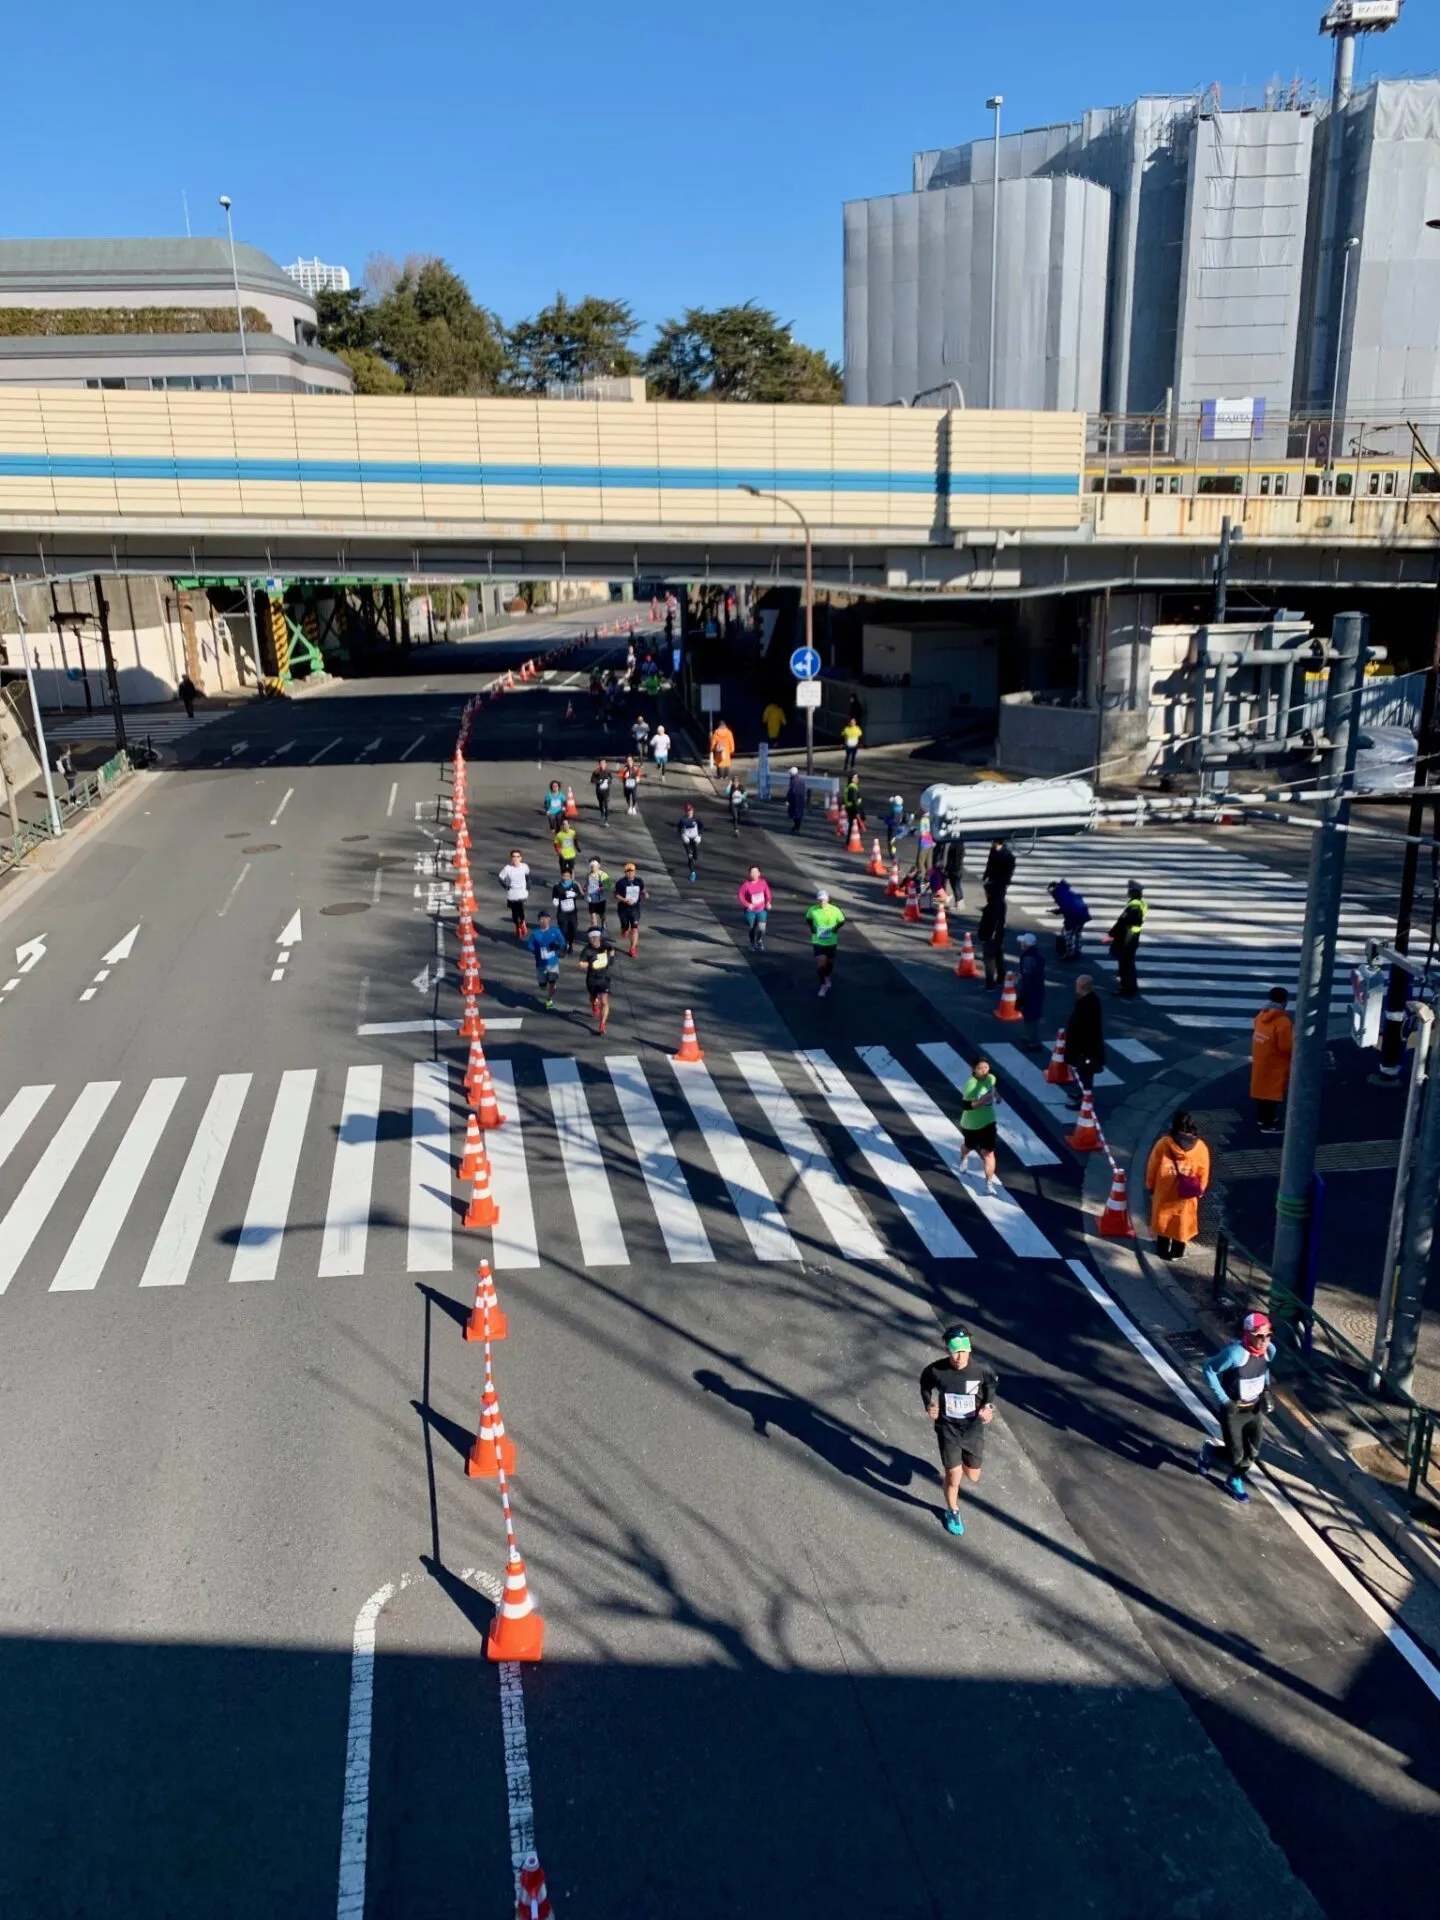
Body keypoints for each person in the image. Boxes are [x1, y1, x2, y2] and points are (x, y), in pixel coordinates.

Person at [919, 1326, 998, 1537]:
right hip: (948, 1428)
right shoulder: (936, 1371)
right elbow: (925, 1384)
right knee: (953, 1477)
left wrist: (988, 1406)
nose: (959, 1356)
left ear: (969, 1349)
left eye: (963, 1351)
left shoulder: (981, 1370)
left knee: (972, 1476)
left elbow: (991, 1385)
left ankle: (958, 1464)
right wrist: (929, 1404)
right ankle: (952, 1511)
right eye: (954, 1351)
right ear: (947, 1350)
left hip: (972, 1430)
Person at [1199, 1311, 1276, 1503]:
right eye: (1259, 1336)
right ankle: (1209, 1452)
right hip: (1234, 1410)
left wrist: (1266, 1391)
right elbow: (1208, 1369)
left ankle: (1235, 1479)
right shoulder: (1235, 1354)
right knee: (1236, 1455)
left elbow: (1263, 1369)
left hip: (1254, 1408)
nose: (1264, 1341)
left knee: (1254, 1451)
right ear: (1248, 1334)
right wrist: (1224, 1400)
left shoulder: (1269, 1350)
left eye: (1268, 1335)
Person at [1145, 1108, 1210, 1260]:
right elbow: (1204, 1171)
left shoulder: (1164, 1144)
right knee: (1182, 1222)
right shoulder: (1200, 1147)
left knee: (1163, 1220)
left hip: (1164, 1190)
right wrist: (1200, 1189)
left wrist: (1150, 1185)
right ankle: (1177, 1252)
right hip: (1186, 1193)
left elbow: (1152, 1167)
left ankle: (1162, 1251)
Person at [1251, 987, 1293, 1134]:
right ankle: (1269, 1124)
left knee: (1261, 1092)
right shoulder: (1283, 1022)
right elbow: (1286, 1047)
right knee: (1272, 1095)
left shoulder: (1261, 1016)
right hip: (1276, 1064)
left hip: (1261, 1060)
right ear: (1284, 1001)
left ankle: (1262, 1119)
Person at [1063, 975, 1105, 1109]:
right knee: (1083, 1074)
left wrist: (1077, 1049)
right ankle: (1081, 1094)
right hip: (1087, 1048)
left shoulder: (1086, 1005)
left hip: (1084, 1049)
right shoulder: (1092, 1001)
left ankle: (1084, 1100)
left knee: (1084, 1074)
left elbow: (1082, 1029)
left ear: (1082, 987)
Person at [958, 1058, 1000, 1195]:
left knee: (988, 1153)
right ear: (973, 1070)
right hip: (971, 1124)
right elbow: (966, 1106)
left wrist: (997, 1096)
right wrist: (982, 1101)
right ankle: (964, 1158)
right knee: (968, 1146)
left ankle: (989, 1183)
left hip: (988, 1121)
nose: (984, 1071)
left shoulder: (991, 1078)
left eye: (986, 1068)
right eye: (980, 1068)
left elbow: (992, 1087)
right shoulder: (970, 1085)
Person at [1104, 881, 1147, 998]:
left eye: (1129, 890)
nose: (1127, 892)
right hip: (1133, 938)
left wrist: (1111, 935)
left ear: (1133, 892)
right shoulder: (1140, 903)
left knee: (1125, 965)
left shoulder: (1134, 906)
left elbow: (1122, 922)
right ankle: (1131, 987)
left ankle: (1126, 988)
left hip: (1127, 938)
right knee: (1129, 964)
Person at [805, 888, 846, 997]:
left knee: (830, 963)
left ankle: (827, 976)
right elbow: (808, 918)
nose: (821, 902)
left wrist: (835, 928)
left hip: (831, 941)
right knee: (821, 962)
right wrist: (812, 928)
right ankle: (823, 985)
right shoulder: (813, 910)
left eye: (823, 900)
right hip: (818, 940)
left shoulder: (835, 910)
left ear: (827, 899)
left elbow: (842, 920)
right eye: (820, 900)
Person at [579, 925, 617, 1035]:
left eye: (596, 937)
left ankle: (602, 1024)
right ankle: (593, 1003)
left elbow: (611, 954)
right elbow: (581, 963)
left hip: (604, 979)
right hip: (592, 980)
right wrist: (591, 963)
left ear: (600, 937)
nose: (594, 940)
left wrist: (612, 955)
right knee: (593, 997)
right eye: (592, 938)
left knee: (604, 1001)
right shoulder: (587, 951)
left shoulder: (605, 946)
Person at [525, 910, 567, 1009]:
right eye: (541, 919)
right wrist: (536, 952)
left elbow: (562, 942)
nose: (544, 921)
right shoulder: (535, 933)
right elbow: (530, 945)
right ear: (539, 921)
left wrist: (558, 947)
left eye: (546, 919)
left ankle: (549, 999)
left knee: (552, 982)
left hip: (553, 963)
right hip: (541, 964)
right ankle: (543, 984)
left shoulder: (555, 931)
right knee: (542, 984)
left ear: (549, 920)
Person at [1047, 879, 1091, 962]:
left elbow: (1067, 908)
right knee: (1077, 934)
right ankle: (1077, 951)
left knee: (1068, 936)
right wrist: (1058, 911)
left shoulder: (1061, 895)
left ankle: (1069, 954)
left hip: (1074, 917)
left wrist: (1059, 912)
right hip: (1082, 915)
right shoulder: (1066, 893)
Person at [1016, 932, 1046, 1050]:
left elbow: (1028, 977)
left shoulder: (1028, 959)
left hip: (1032, 991)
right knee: (1030, 1015)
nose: (1021, 945)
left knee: (1031, 1016)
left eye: (1022, 943)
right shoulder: (1035, 956)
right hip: (1037, 990)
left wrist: (1023, 993)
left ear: (1026, 945)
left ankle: (1035, 1042)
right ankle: (1029, 1036)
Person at [977, 882, 1007, 990]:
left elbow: (989, 923)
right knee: (999, 957)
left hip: (990, 937)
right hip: (999, 935)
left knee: (989, 960)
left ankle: (990, 983)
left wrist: (983, 936)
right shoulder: (1001, 903)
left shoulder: (991, 906)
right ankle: (1001, 978)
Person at [496, 850, 531, 938]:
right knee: (514, 912)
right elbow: (500, 878)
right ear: (511, 858)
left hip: (522, 892)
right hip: (512, 892)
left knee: (520, 908)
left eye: (517, 856)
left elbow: (528, 876)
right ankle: (517, 926)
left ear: (520, 858)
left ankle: (522, 922)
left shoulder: (524, 866)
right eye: (514, 857)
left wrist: (528, 886)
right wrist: (506, 886)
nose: (515, 858)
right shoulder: (507, 868)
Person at [614, 861, 646, 957]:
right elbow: (616, 894)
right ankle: (624, 929)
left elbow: (642, 889)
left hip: (635, 909)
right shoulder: (621, 883)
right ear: (625, 872)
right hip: (623, 908)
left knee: (635, 929)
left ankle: (633, 948)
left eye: (631, 871)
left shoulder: (639, 881)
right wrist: (624, 900)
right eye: (627, 871)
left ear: (635, 872)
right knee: (625, 926)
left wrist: (645, 893)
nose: (630, 873)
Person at [737, 865, 772, 952]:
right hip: (751, 911)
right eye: (752, 872)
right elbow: (740, 896)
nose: (754, 874)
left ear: (759, 874)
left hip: (761, 909)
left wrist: (768, 902)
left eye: (756, 872)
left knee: (762, 928)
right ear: (749, 874)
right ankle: (752, 942)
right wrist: (747, 904)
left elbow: (768, 893)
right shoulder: (746, 885)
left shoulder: (763, 882)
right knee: (752, 927)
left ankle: (759, 940)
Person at [552, 871, 582, 951]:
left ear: (570, 876)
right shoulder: (557, 886)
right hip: (562, 912)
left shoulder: (575, 885)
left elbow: (581, 896)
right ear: (561, 876)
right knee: (563, 929)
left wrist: (574, 894)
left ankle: (570, 943)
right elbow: (554, 896)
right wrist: (555, 900)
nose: (565, 877)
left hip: (572, 913)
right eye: (564, 875)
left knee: (573, 929)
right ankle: (564, 946)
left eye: (567, 876)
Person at [676, 802, 703, 881]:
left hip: (694, 838)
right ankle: (693, 873)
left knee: (695, 856)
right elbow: (679, 828)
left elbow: (701, 827)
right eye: (688, 811)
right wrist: (682, 834)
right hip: (687, 839)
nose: (689, 812)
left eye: (690, 810)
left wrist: (700, 834)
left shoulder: (697, 820)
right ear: (685, 812)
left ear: (693, 811)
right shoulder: (682, 820)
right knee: (690, 856)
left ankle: (693, 858)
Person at [584, 857, 611, 928]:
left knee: (601, 915)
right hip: (591, 899)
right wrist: (585, 887)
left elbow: (609, 885)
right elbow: (587, 883)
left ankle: (603, 922)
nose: (593, 867)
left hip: (600, 899)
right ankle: (596, 932)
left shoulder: (603, 875)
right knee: (593, 917)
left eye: (594, 865)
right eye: (591, 866)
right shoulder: (588, 875)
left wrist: (603, 888)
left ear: (599, 865)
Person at [591, 757, 614, 825]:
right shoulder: (596, 772)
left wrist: (609, 781)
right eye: (601, 763)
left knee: (606, 805)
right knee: (601, 804)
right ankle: (602, 812)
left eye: (604, 763)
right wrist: (598, 782)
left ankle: (606, 820)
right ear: (599, 764)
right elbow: (592, 780)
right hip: (599, 791)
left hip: (606, 790)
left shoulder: (608, 771)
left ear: (606, 764)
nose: (603, 764)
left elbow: (611, 777)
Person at [883, 794, 907, 859]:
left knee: (891, 842)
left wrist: (886, 821)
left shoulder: (895, 811)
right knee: (894, 842)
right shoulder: (901, 808)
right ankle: (893, 854)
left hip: (893, 829)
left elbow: (893, 821)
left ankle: (893, 855)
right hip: (898, 828)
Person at [786, 766, 807, 834]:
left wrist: (788, 799)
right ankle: (797, 826)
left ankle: (796, 827)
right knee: (799, 813)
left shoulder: (793, 781)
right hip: (801, 798)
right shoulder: (801, 780)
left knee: (794, 813)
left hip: (794, 799)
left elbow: (790, 791)